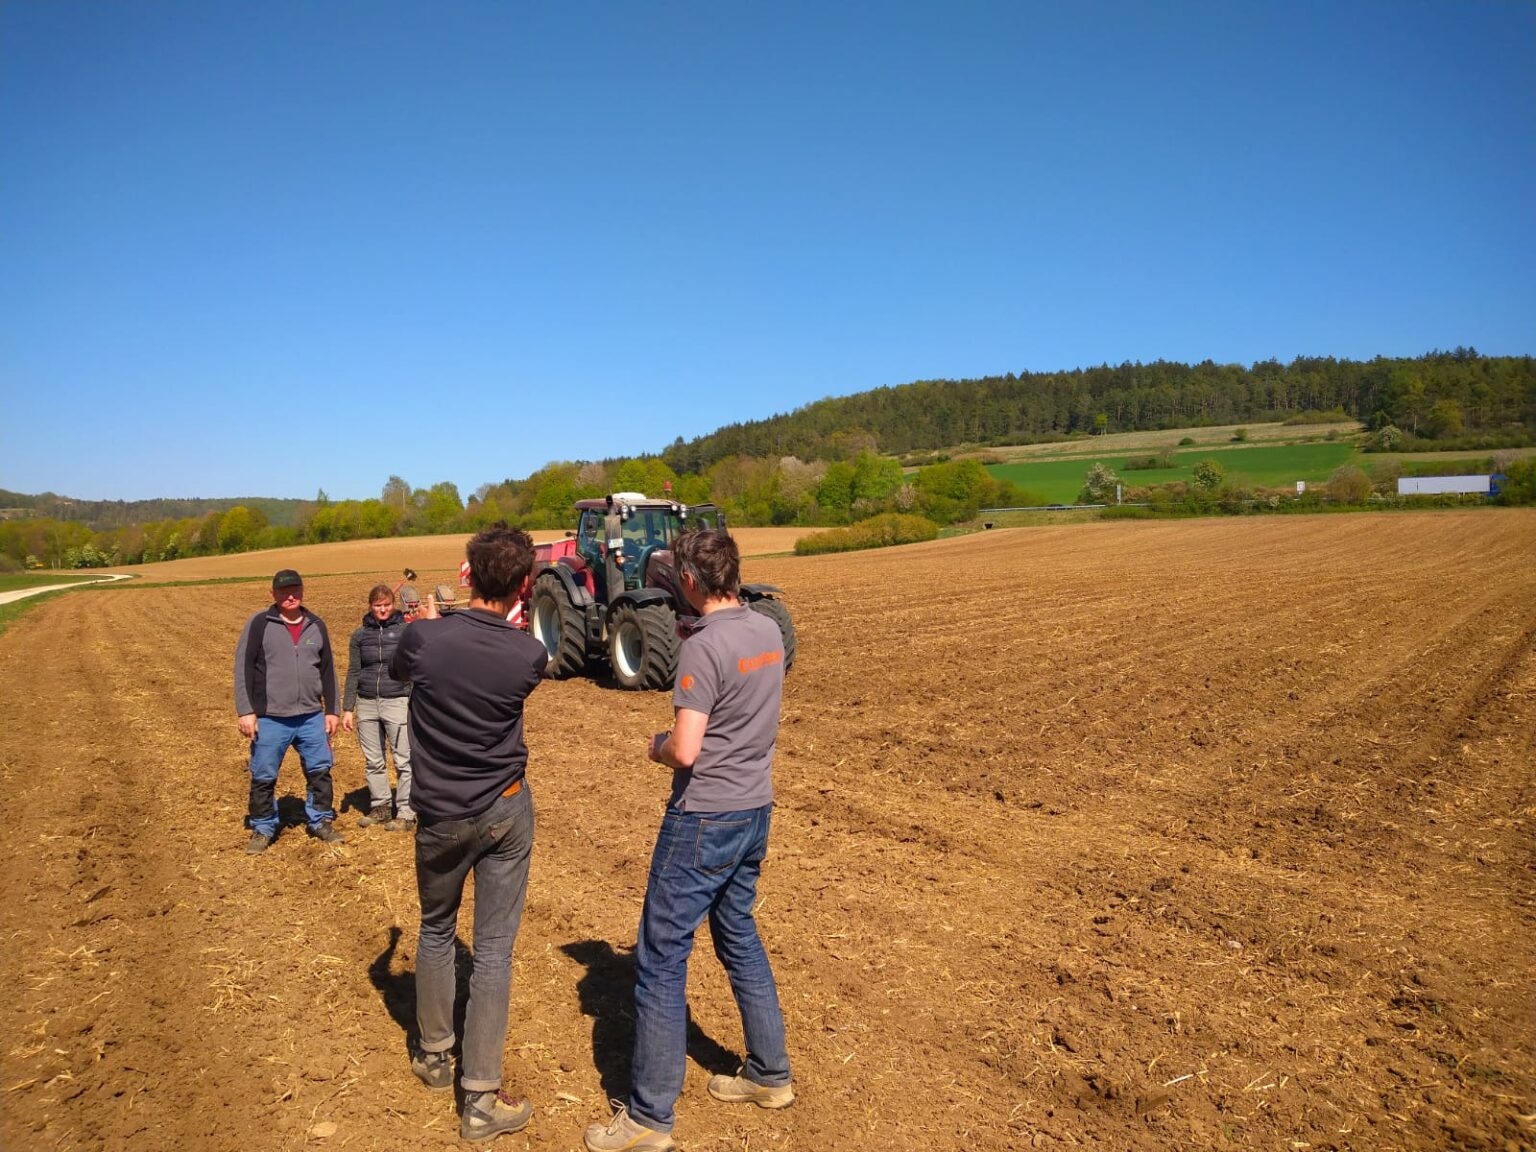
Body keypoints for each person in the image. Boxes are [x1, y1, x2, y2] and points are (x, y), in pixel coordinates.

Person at [585, 530, 793, 1152]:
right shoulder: (765, 631)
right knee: (739, 935)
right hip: (755, 808)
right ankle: (769, 1075)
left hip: (703, 817)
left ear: (692, 582)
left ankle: (649, 1118)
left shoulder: (703, 649)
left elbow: (685, 749)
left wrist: (654, 746)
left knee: (660, 958)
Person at [392, 523, 548, 1143]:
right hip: (505, 811)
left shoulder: (423, 640)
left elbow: (413, 658)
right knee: (493, 952)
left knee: (434, 929)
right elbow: (501, 649)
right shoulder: (528, 656)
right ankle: (480, 1100)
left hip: (439, 815)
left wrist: (429, 618)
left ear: (466, 573)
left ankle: (434, 1056)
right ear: (524, 584)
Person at [233, 569, 343, 854]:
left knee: (320, 771)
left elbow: (328, 670)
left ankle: (320, 821)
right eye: (283, 591)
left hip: (310, 716)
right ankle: (263, 826)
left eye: (295, 589)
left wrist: (332, 710)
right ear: (273, 594)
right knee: (263, 775)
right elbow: (243, 667)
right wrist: (246, 710)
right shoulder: (259, 624)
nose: (290, 595)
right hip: (270, 717)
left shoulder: (316, 625)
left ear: (303, 590)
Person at [342, 584, 415, 831]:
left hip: (397, 701)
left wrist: (413, 697)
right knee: (374, 761)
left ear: (393, 605)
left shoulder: (406, 632)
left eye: (386, 605)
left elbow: (416, 667)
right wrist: (348, 707)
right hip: (367, 703)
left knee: (403, 760)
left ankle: (406, 812)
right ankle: (381, 807)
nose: (382, 610)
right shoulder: (360, 636)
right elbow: (354, 671)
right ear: (370, 607)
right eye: (377, 606)